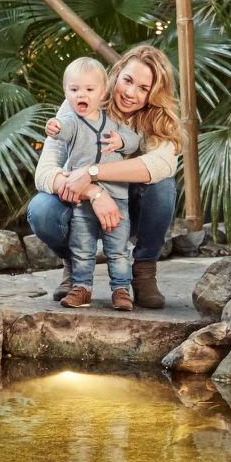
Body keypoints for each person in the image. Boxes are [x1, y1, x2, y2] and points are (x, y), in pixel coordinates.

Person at [27, 45, 181, 310]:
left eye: (143, 89)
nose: (131, 93)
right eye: (128, 81)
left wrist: (92, 173)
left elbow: (161, 164)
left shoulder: (157, 120)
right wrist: (93, 192)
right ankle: (75, 270)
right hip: (80, 203)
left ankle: (143, 273)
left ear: (154, 94)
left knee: (163, 186)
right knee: (41, 209)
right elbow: (45, 172)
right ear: (116, 74)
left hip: (127, 207)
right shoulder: (83, 98)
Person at [41, 56, 146, 310]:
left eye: (89, 90)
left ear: (103, 92)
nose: (81, 95)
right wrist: (54, 126)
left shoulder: (113, 121)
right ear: (66, 93)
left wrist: (121, 142)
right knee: (82, 246)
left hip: (117, 198)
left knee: (117, 248)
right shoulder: (72, 122)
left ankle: (121, 289)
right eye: (74, 90)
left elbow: (135, 141)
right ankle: (81, 288)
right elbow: (61, 130)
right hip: (83, 200)